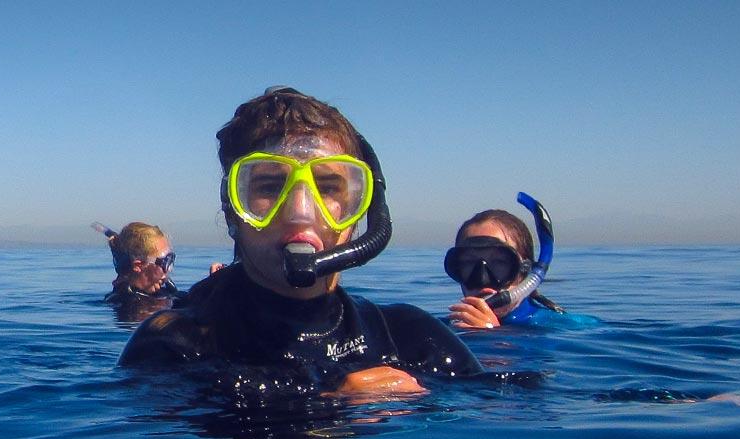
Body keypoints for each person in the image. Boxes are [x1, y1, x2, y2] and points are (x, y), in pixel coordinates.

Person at [119, 87, 538, 402]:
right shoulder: (173, 346)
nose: (301, 211)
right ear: (233, 211)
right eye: (269, 184)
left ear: (363, 212)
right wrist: (334, 402)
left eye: (329, 186)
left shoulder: (413, 338)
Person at [97, 221, 180, 323]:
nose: (168, 270)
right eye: (165, 262)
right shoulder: (128, 305)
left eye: (171, 260)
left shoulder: (165, 294)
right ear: (138, 265)